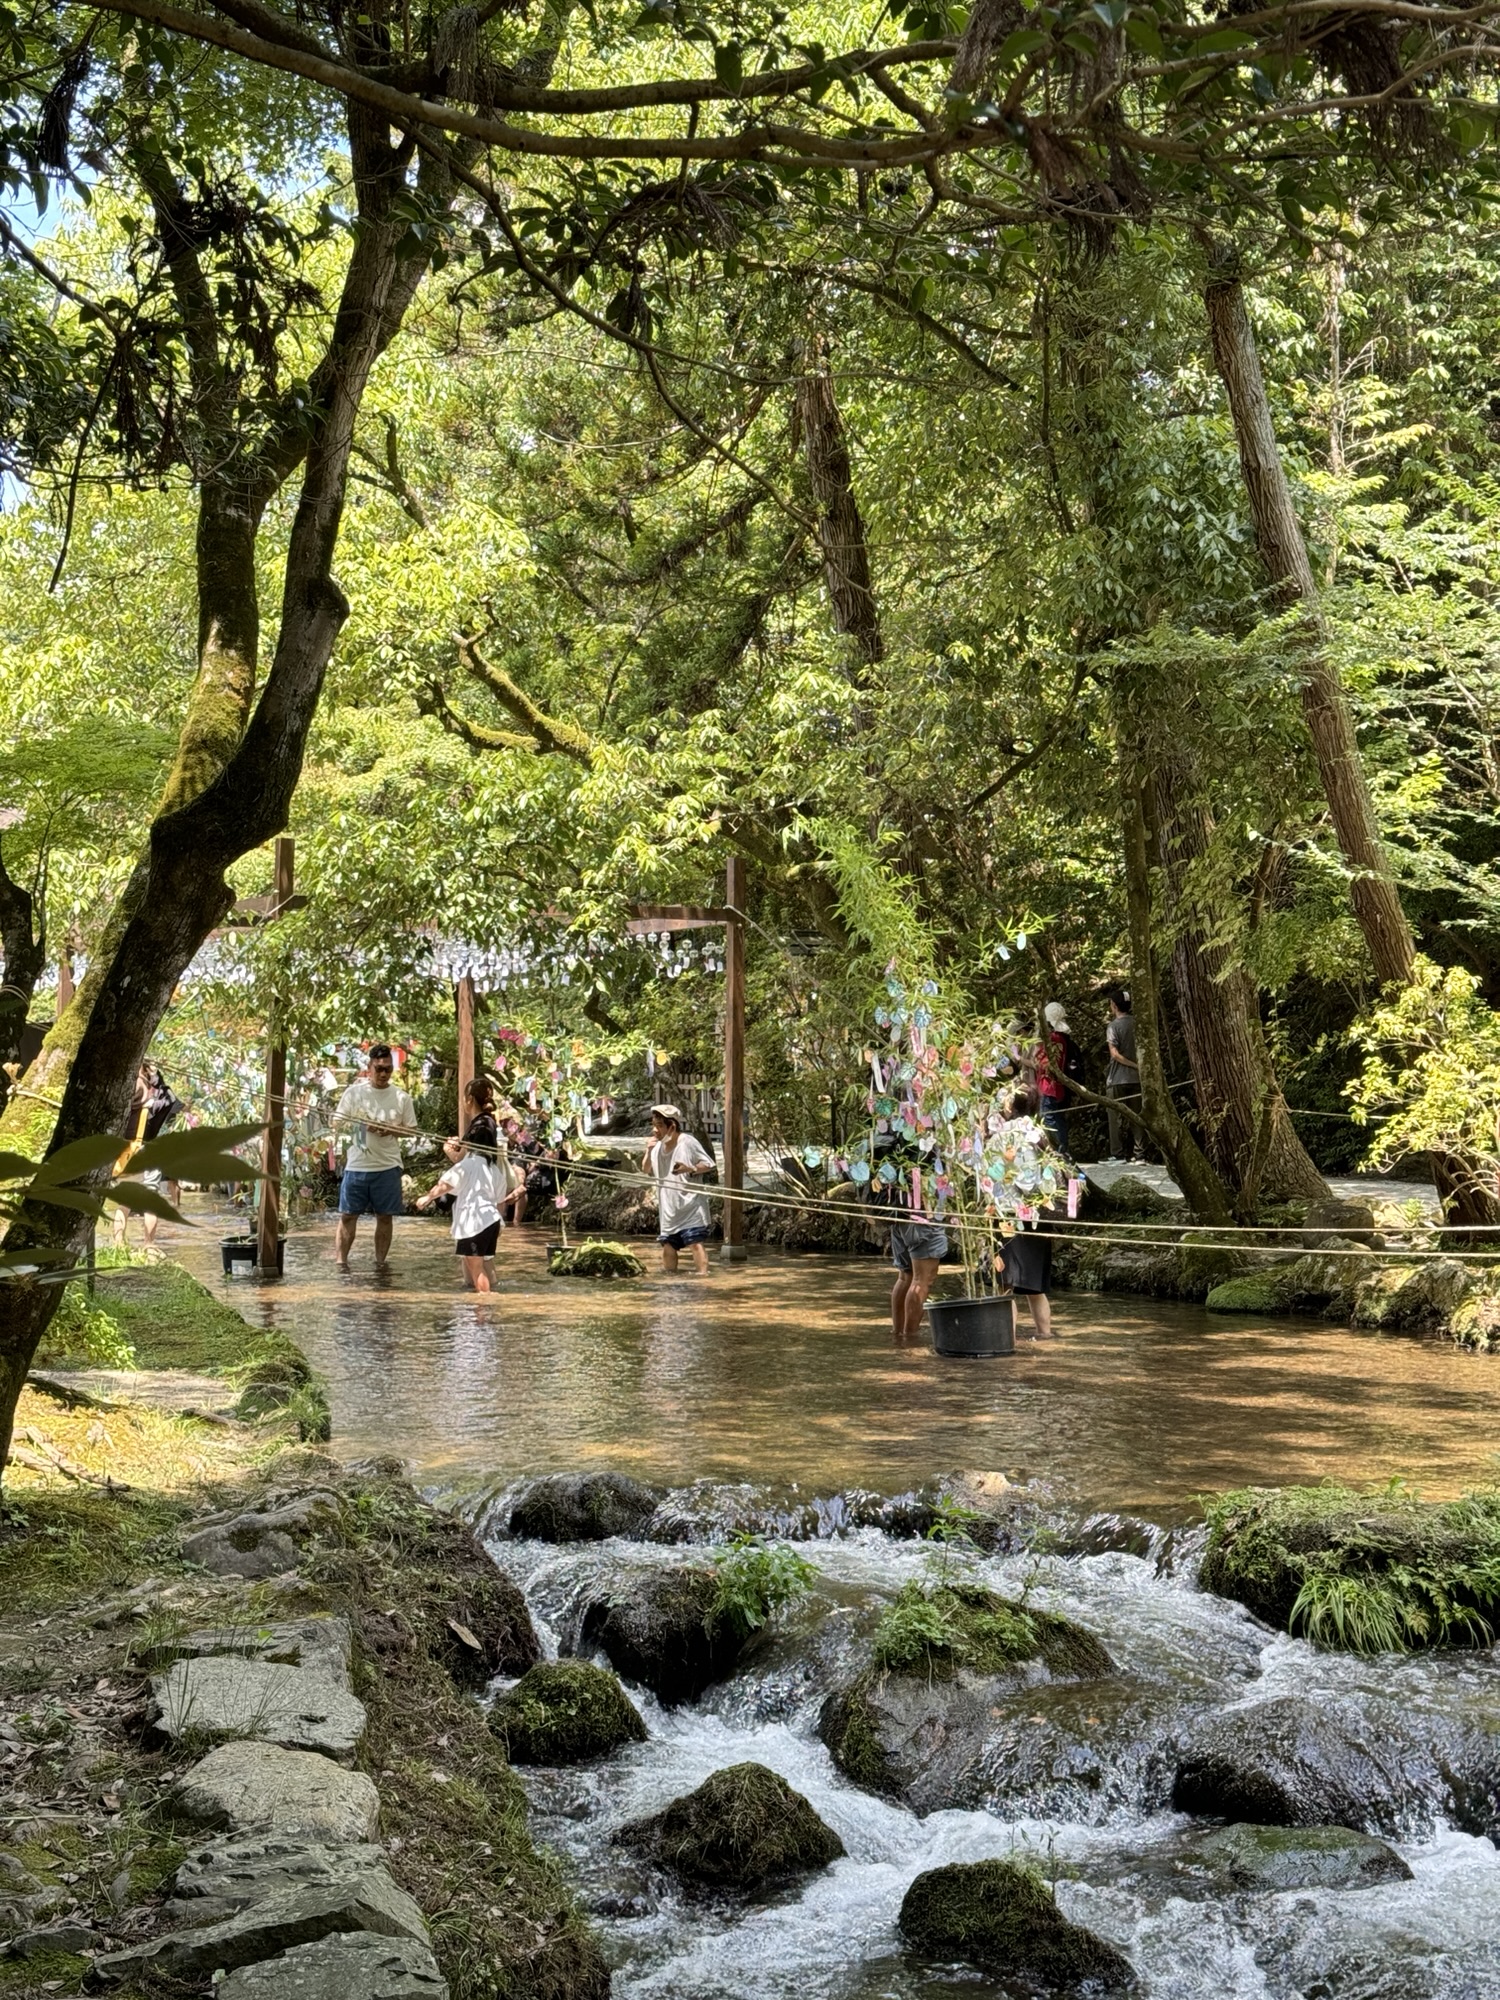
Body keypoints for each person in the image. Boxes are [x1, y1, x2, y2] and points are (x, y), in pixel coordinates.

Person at [332, 1043, 416, 1272]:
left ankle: (380, 1264)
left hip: (388, 1166)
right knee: (348, 1215)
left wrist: (390, 1128)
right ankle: (341, 1264)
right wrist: (364, 1124)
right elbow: (337, 1122)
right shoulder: (354, 1093)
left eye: (387, 1069)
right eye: (378, 1069)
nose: (383, 1074)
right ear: (369, 1067)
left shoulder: (401, 1097)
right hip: (357, 1164)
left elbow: (411, 1130)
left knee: (385, 1217)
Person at [416, 1107, 504, 1292]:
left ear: (470, 1143)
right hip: (491, 1221)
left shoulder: (467, 1164)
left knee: (477, 1269)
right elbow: (500, 1198)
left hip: (475, 1224)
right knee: (480, 1263)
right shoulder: (494, 1169)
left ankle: (485, 1305)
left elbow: (445, 1185)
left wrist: (427, 1197)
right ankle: (479, 1307)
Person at [998, 1085, 1057, 1340]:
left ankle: (1005, 1341)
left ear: (1010, 1106)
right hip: (1039, 1213)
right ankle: (1045, 1337)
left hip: (1012, 1214)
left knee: (1005, 1285)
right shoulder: (1038, 1132)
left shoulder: (1006, 1133)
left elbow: (1022, 1179)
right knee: (1035, 1286)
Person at [642, 1103, 715, 1274]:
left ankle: (703, 1278)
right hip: (669, 1205)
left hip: (690, 1204)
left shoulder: (687, 1142)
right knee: (668, 1244)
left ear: (672, 1126)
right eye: (654, 1125)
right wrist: (648, 1150)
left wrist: (691, 1169)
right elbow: (645, 1169)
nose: (655, 1130)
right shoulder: (657, 1147)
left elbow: (709, 1164)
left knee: (695, 1242)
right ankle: (670, 1278)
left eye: (660, 1126)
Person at [1037, 1002, 1082, 1158]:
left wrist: (1022, 1058)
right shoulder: (1063, 1038)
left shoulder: (1054, 1039)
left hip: (1049, 1085)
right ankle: (1063, 1149)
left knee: (1048, 1119)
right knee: (1057, 1118)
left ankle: (1058, 1150)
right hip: (1057, 1087)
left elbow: (1045, 1064)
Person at [1104, 988, 1142, 1163]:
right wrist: (1139, 1067)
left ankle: (1117, 1153)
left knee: (1115, 1117)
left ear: (1114, 1005)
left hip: (1117, 1079)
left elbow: (1115, 1054)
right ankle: (1140, 1153)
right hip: (1137, 1078)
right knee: (1138, 1116)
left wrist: (1133, 1064)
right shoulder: (1138, 1023)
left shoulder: (1113, 1026)